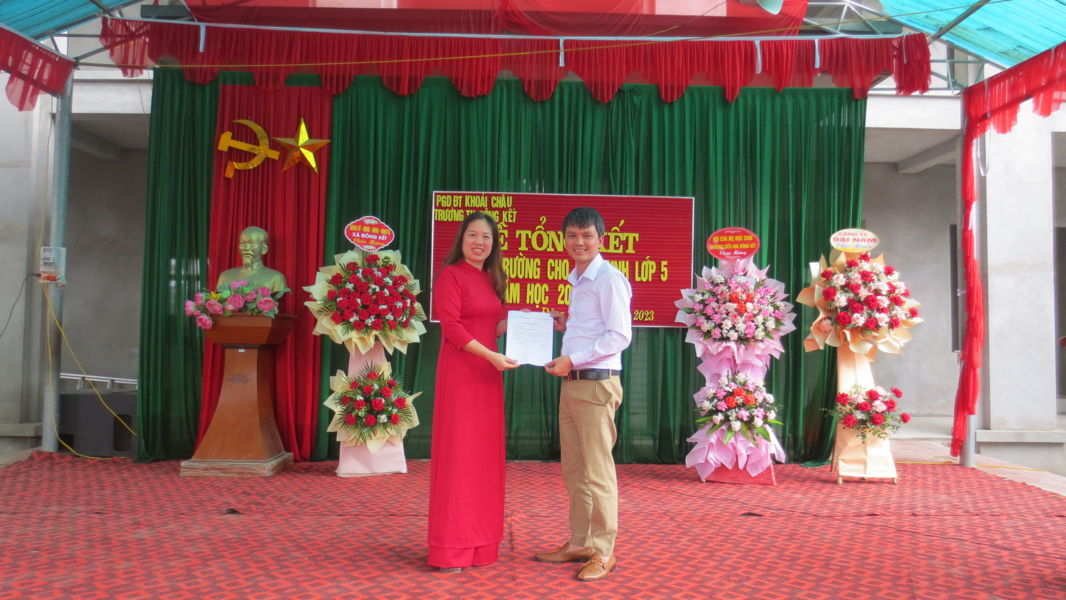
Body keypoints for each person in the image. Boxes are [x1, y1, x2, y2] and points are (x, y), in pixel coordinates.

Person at [537, 207, 632, 582]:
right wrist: (567, 325)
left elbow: (619, 336)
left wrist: (573, 358)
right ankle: (581, 542)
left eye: (587, 236)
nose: (579, 242)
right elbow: (595, 329)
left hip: (595, 383)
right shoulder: (578, 280)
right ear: (563, 239)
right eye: (572, 235)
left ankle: (604, 551)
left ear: (600, 240)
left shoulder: (608, 278)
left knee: (598, 471)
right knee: (575, 471)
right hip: (573, 383)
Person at [427, 211, 518, 572]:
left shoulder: (491, 279)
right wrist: (492, 356)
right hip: (462, 375)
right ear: (461, 239)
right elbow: (452, 328)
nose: (479, 242)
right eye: (473, 235)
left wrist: (533, 322)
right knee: (459, 457)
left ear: (494, 245)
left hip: (488, 376)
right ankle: (451, 548)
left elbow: (489, 327)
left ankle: (480, 545)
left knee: (483, 460)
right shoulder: (450, 275)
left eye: (486, 237)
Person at [216, 226, 287, 293]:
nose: (246, 248)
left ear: (264, 248)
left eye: (251, 243)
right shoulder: (225, 276)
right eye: (243, 243)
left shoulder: (276, 278)